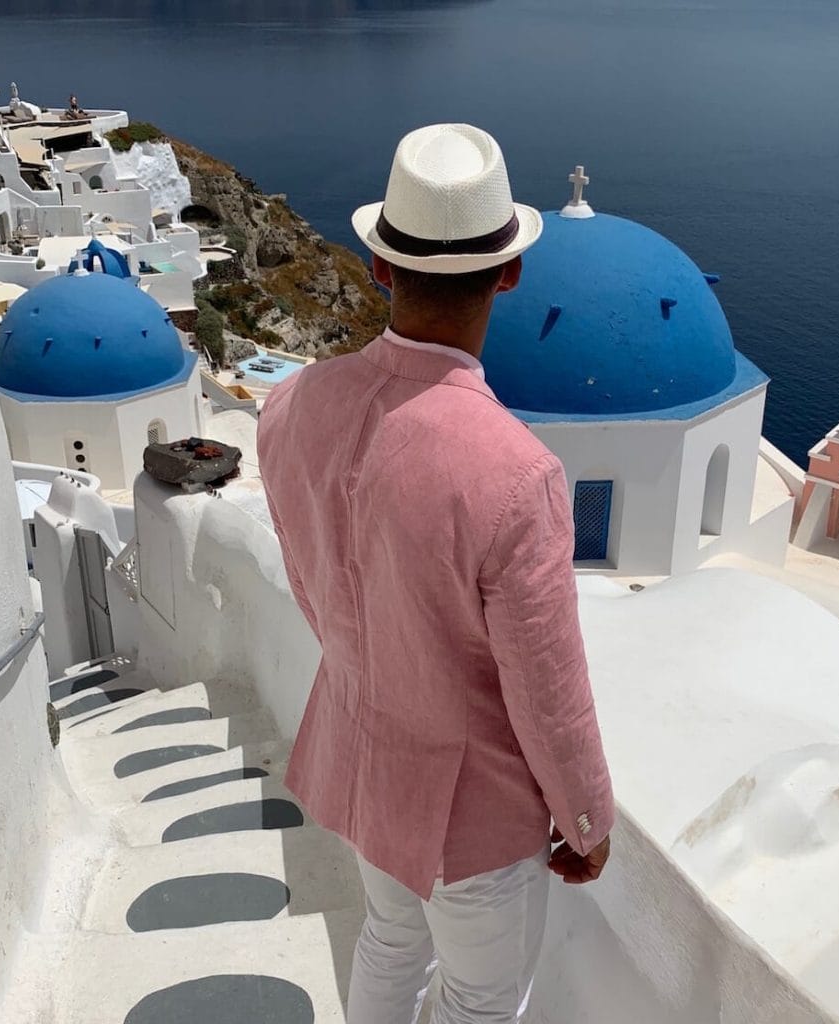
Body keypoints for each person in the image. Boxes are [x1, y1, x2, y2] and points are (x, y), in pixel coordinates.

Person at [257, 123, 614, 1024]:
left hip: (364, 761)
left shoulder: (293, 404)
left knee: (389, 939)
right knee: (480, 1003)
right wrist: (586, 817)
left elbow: (312, 578)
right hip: (474, 814)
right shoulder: (515, 472)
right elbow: (549, 687)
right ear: (510, 273)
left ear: (380, 265)